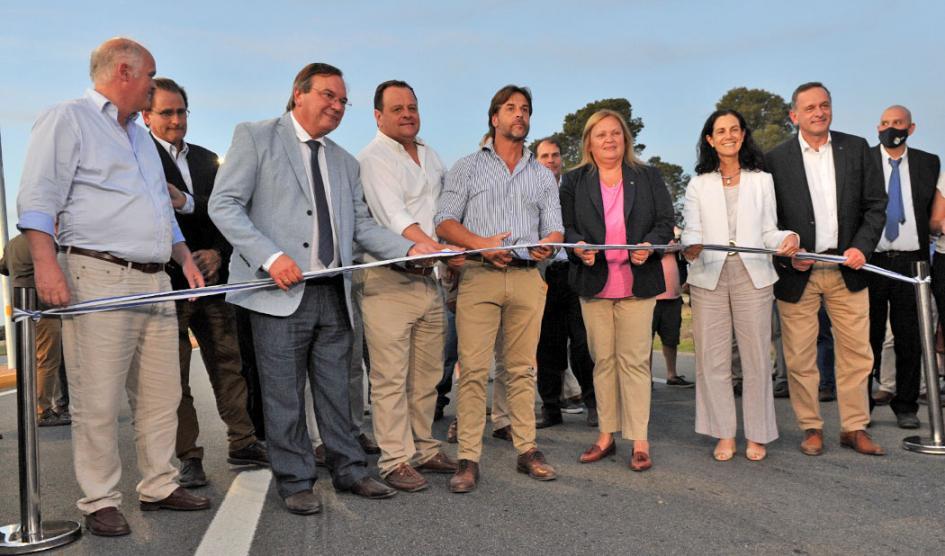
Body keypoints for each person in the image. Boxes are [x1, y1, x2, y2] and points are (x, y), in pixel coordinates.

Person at [209, 62, 442, 515]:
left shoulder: (343, 161)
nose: (336, 106)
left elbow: (362, 228)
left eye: (342, 100)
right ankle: (295, 479)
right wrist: (271, 257)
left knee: (338, 391)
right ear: (299, 94)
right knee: (284, 394)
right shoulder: (255, 136)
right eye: (327, 96)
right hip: (276, 292)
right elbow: (225, 203)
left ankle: (352, 470)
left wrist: (411, 249)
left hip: (333, 292)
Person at [16, 37, 210, 537]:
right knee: (97, 398)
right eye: (149, 76)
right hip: (97, 274)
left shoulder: (140, 137)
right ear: (124, 71)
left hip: (154, 280)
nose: (152, 86)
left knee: (161, 394)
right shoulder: (68, 118)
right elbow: (38, 196)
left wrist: (183, 256)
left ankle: (160, 484)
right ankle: (99, 498)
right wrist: (47, 265)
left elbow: (159, 208)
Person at [435, 84, 563, 492]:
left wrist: (550, 244)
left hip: (528, 278)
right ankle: (468, 458)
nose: (519, 115)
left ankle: (527, 449)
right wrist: (482, 245)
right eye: (510, 108)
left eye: (525, 109)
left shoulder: (542, 175)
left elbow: (555, 227)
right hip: (479, 276)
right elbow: (445, 222)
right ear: (494, 118)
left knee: (522, 369)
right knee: (473, 371)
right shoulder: (467, 166)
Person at [143, 77, 269, 489]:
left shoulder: (208, 159)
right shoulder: (137, 156)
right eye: (167, 112)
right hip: (167, 283)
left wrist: (219, 253)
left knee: (228, 364)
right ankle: (188, 457)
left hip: (213, 282)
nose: (176, 120)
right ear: (147, 116)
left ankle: (243, 442)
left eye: (181, 112)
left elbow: (229, 213)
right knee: (174, 377)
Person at [766, 82, 887, 457]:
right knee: (800, 357)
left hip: (847, 268)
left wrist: (861, 247)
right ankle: (811, 428)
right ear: (794, 116)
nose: (819, 113)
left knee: (857, 354)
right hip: (798, 272)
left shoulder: (857, 150)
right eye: (810, 108)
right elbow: (768, 219)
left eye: (824, 105)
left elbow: (875, 206)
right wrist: (787, 252)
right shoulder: (775, 160)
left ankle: (854, 427)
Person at [356, 79, 460, 492]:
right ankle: (394, 459)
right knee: (390, 377)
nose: (407, 114)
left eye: (412, 106)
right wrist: (443, 250)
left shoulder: (432, 156)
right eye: (397, 108)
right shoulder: (372, 159)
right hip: (388, 280)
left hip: (429, 281)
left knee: (428, 374)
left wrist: (451, 255)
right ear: (378, 115)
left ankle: (424, 447)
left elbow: (444, 212)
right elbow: (397, 218)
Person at [682, 109, 799, 462]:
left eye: (735, 129)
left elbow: (768, 231)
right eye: (721, 131)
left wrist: (788, 237)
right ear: (710, 140)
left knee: (756, 360)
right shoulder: (697, 184)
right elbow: (691, 230)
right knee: (713, 360)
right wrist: (690, 246)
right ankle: (724, 433)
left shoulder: (761, 180)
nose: (729, 135)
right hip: (709, 277)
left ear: (743, 135)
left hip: (754, 275)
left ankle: (759, 434)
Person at [560, 109, 675, 471]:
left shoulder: (648, 176)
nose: (609, 140)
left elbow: (666, 222)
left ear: (625, 138)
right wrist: (579, 246)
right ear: (589, 143)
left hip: (637, 283)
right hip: (594, 283)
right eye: (600, 135)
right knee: (603, 361)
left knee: (635, 361)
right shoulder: (574, 180)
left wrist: (651, 244)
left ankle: (639, 440)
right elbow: (565, 226)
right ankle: (606, 435)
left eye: (615, 133)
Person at [866, 105, 939, 429]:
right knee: (867, 337)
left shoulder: (928, 163)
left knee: (910, 337)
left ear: (911, 128)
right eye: (884, 123)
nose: (889, 128)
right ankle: (861, 406)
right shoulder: (864, 161)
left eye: (897, 123)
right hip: (873, 261)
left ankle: (906, 405)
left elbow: (933, 212)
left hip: (913, 262)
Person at [533, 137, 597, 428]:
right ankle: (550, 408)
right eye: (544, 155)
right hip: (545, 276)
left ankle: (593, 403)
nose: (550, 160)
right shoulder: (529, 192)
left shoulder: (575, 189)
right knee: (547, 345)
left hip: (575, 272)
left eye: (555, 155)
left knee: (583, 343)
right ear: (536, 160)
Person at [0, 234, 70, 427]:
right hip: (44, 307)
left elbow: (3, 267)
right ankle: (43, 411)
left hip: (22, 307)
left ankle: (41, 407)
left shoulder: (12, 244)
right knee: (48, 360)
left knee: (35, 360)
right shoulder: (44, 241)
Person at [652, 238, 693, 389]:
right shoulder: (652, 232)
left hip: (673, 294)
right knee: (645, 339)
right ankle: (645, 377)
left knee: (671, 337)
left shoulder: (677, 232)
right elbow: (655, 248)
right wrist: (669, 247)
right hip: (650, 295)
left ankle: (672, 374)